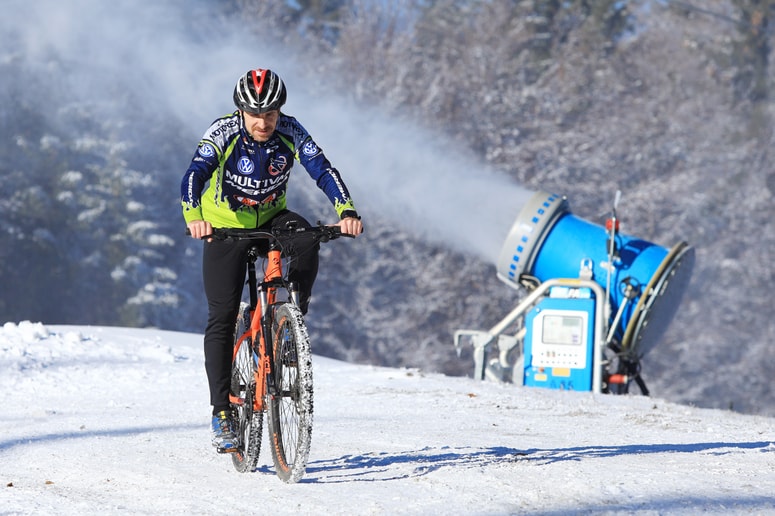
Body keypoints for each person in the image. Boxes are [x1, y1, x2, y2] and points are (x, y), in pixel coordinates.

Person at [181, 68, 363, 453]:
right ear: (241, 111)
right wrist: (194, 218)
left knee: (308, 237)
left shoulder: (291, 131)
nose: (264, 123)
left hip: (272, 220)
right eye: (255, 115)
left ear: (280, 111)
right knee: (223, 314)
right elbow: (194, 174)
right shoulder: (223, 132)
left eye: (271, 114)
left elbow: (323, 170)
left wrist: (346, 210)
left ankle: (289, 322)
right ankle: (221, 413)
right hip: (224, 228)